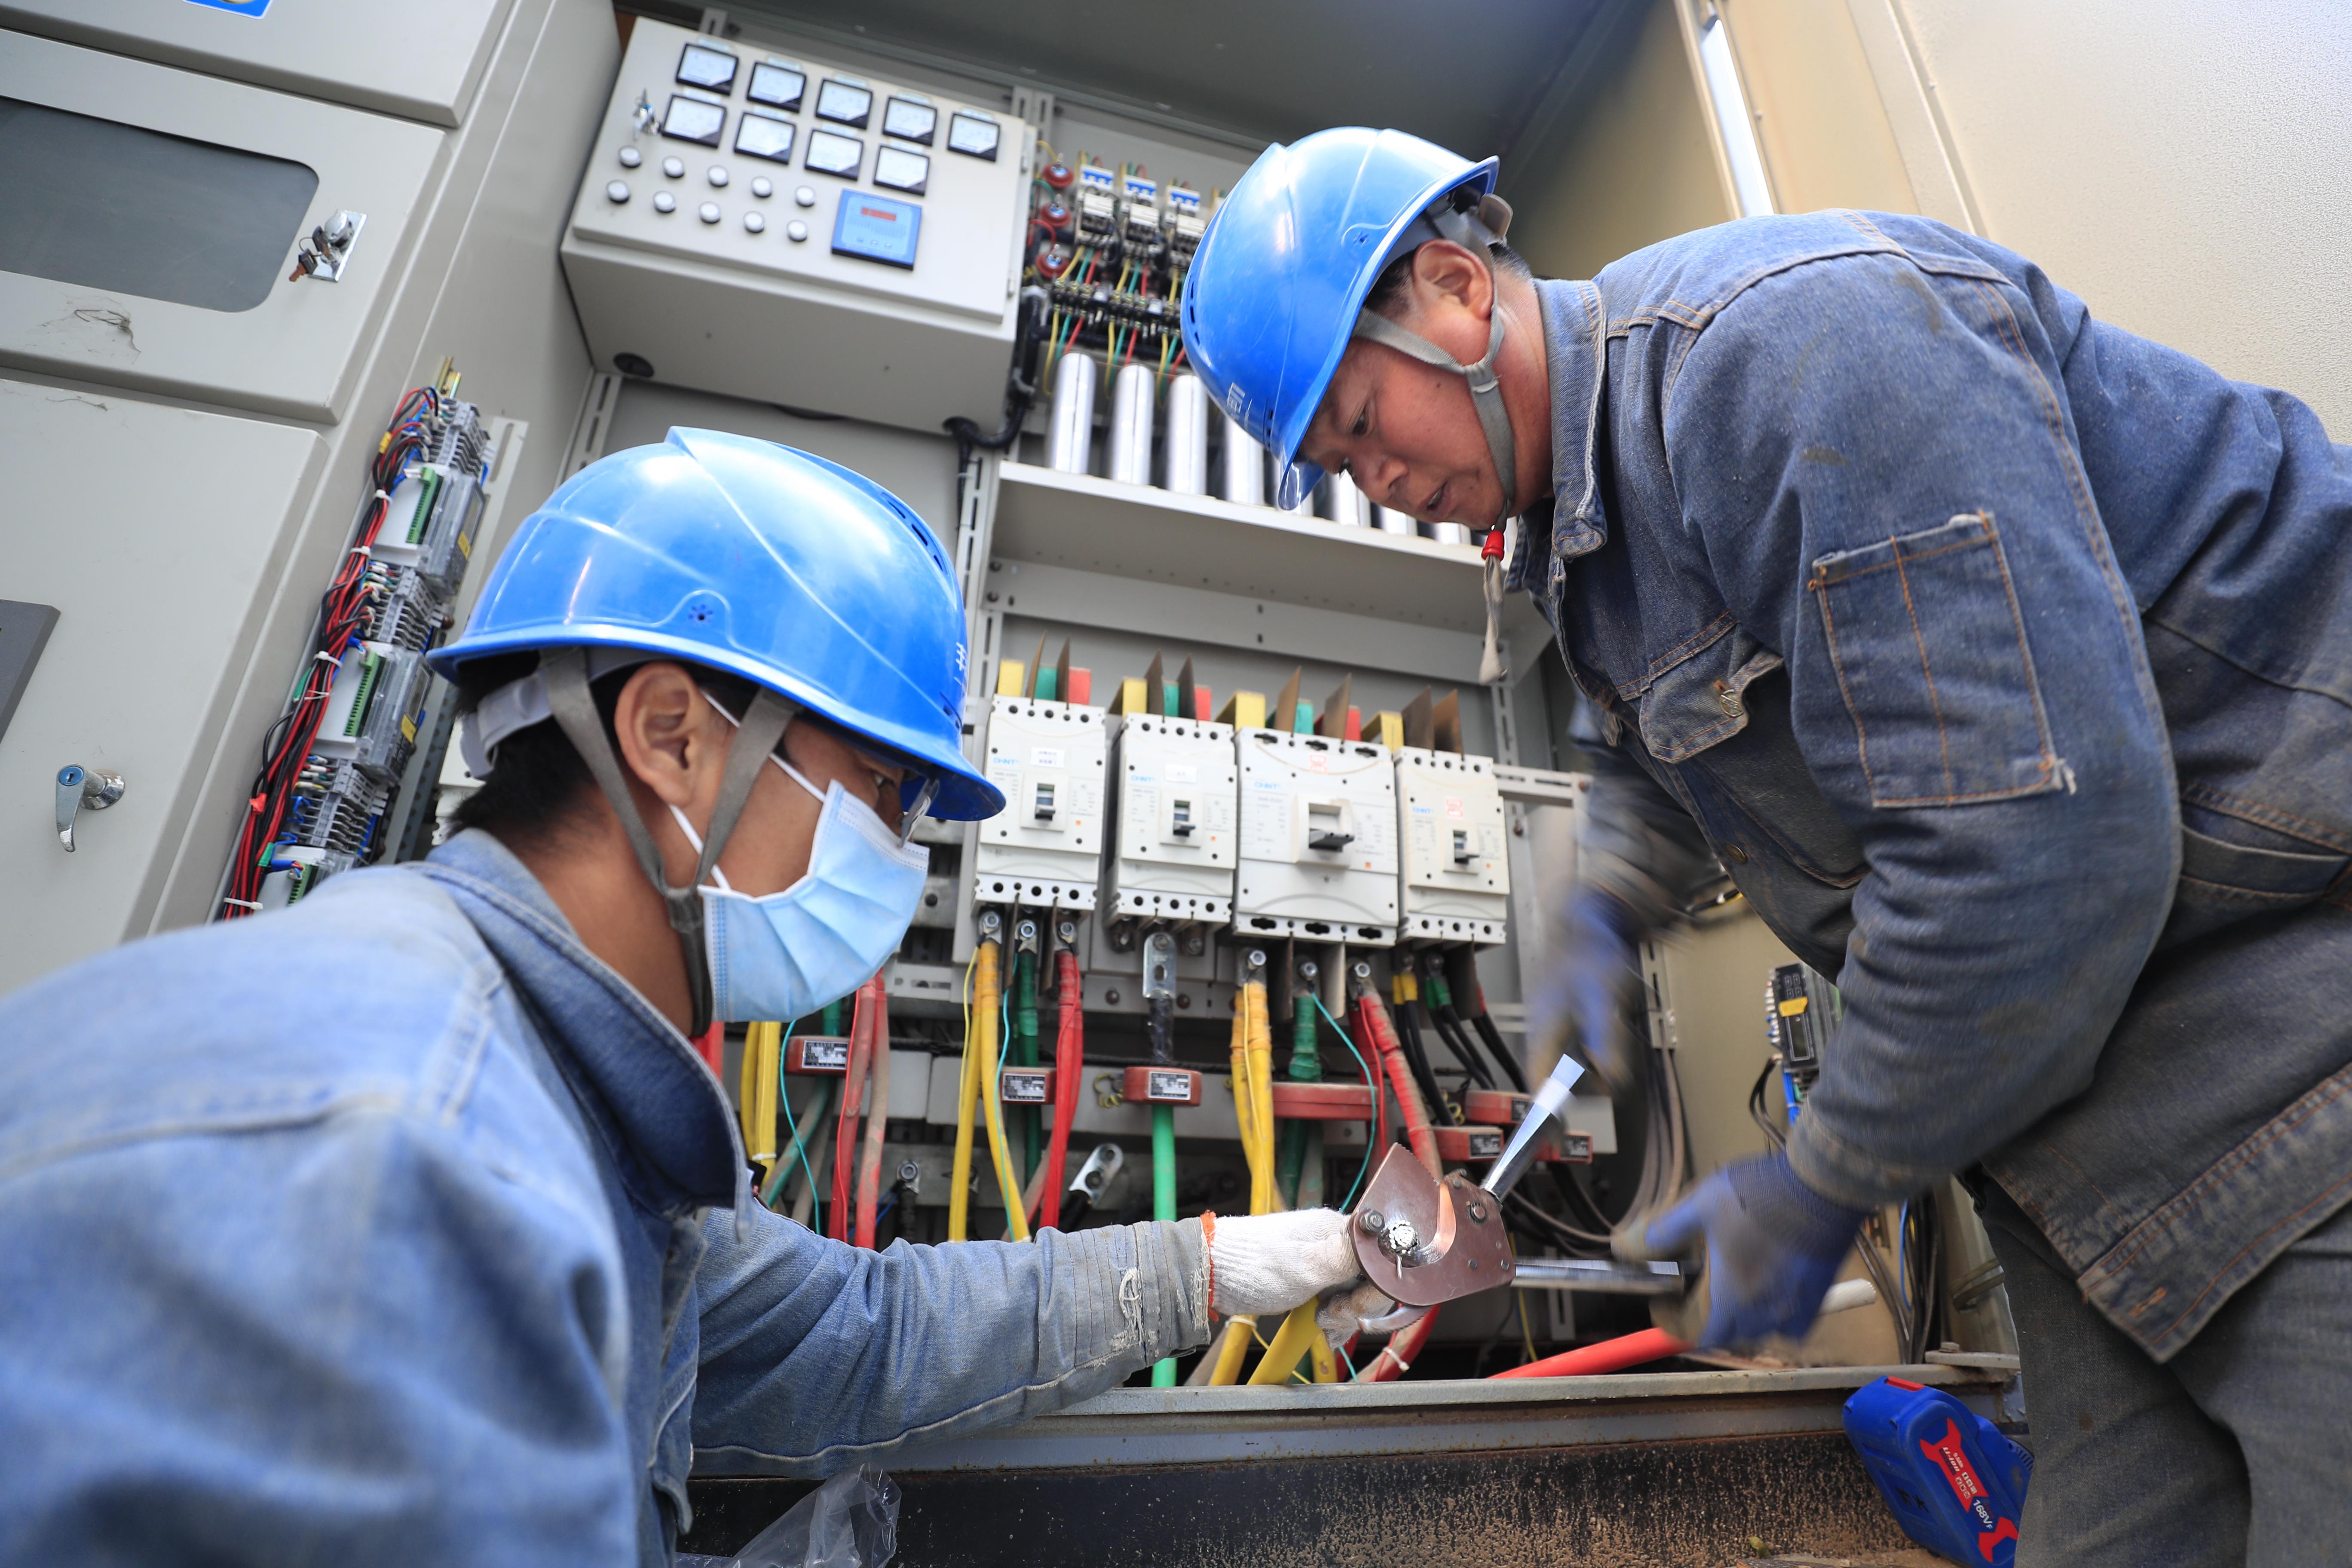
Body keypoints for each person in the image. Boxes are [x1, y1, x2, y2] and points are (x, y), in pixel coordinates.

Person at [1182, 128, 2352, 1563]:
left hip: (2299, 1053)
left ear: (1451, 289)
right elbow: (1668, 747)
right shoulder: (1585, 534)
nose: (1378, 479)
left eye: (1363, 421)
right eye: (1337, 463)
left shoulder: (1792, 355)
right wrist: (1607, 905)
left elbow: (2042, 852)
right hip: (2107, 1145)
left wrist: (1822, 1186)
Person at [0, 430, 1376, 1564]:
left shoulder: (534, 1098)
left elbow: (860, 1334)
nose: (898, 858)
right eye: (885, 797)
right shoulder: (401, 1150)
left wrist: (1222, 1266)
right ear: (671, 738)